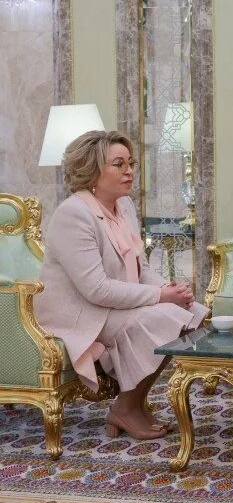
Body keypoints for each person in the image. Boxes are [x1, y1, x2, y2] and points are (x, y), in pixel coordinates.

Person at [34, 131, 209, 440]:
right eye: (119, 164)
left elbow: (140, 269)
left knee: (189, 312)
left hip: (109, 305)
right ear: (92, 171)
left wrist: (172, 291)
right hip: (82, 313)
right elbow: (97, 290)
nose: (129, 171)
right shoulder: (73, 214)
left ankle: (135, 404)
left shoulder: (124, 206)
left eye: (130, 163)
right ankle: (125, 409)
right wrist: (160, 297)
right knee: (164, 318)